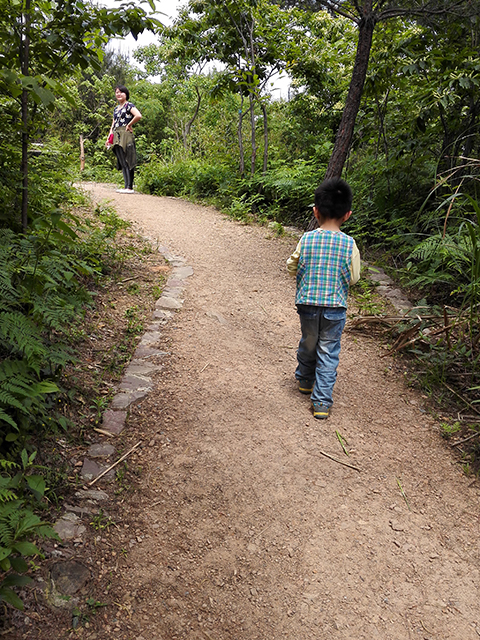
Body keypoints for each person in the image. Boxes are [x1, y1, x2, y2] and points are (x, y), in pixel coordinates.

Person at [287, 177, 360, 420]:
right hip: (335, 308)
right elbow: (354, 277)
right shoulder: (350, 244)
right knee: (328, 351)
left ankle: (305, 381)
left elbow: (293, 264)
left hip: (307, 303)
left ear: (316, 211)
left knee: (309, 340)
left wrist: (299, 272)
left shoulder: (306, 239)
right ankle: (321, 402)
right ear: (347, 214)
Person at [106, 85, 142, 194]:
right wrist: (109, 137)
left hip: (125, 133)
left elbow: (138, 115)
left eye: (121, 92)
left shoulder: (128, 105)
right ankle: (126, 186)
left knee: (128, 159)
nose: (119, 94)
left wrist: (129, 124)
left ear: (126, 94)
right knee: (121, 160)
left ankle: (129, 187)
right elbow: (113, 123)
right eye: (117, 92)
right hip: (116, 134)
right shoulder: (116, 109)